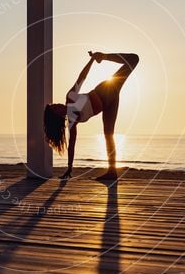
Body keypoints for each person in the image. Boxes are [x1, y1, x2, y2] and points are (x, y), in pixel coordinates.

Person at [43, 51, 139, 181]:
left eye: (54, 104)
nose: (57, 104)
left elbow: (81, 77)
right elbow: (72, 145)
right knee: (108, 135)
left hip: (105, 90)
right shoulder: (72, 121)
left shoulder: (70, 97)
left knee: (133, 59)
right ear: (57, 115)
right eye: (55, 107)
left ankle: (103, 56)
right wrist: (70, 167)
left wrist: (92, 60)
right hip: (109, 105)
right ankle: (112, 172)